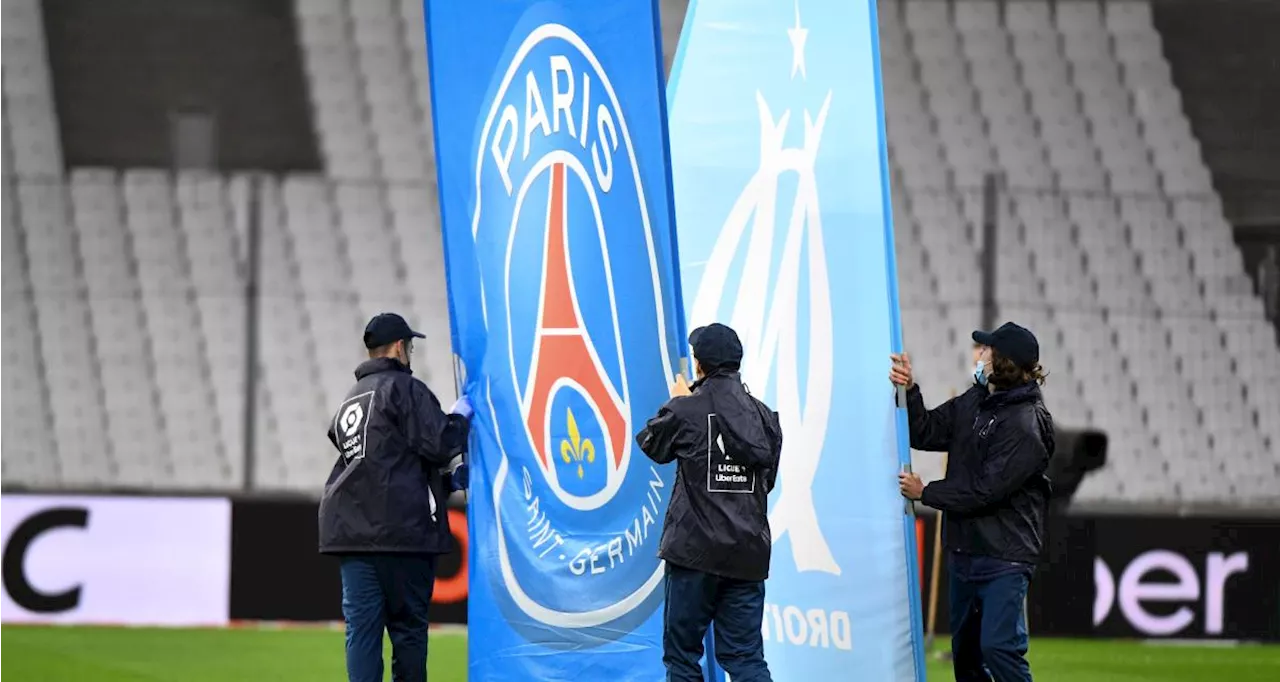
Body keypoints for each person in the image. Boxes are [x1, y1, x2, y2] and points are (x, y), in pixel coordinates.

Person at [892, 321, 1054, 682]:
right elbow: (926, 430)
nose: (978, 355)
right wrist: (910, 390)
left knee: (999, 649)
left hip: (1004, 556)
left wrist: (927, 492)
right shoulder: (975, 400)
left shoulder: (1027, 425)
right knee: (965, 657)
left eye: (985, 351)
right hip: (964, 550)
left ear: (1003, 362)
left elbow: (985, 491)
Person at [318, 312, 474, 682]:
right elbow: (440, 443)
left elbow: (383, 462)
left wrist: (444, 484)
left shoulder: (351, 399)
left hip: (353, 534)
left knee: (362, 632)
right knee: (408, 632)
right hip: (403, 534)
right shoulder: (405, 388)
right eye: (412, 347)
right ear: (401, 347)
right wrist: (460, 419)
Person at [635, 323, 782, 682]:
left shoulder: (688, 408)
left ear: (700, 365)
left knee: (683, 659)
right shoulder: (764, 416)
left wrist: (678, 401)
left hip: (695, 553)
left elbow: (651, 444)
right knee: (746, 658)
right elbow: (768, 480)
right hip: (747, 553)